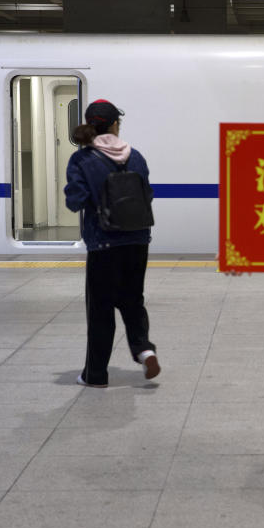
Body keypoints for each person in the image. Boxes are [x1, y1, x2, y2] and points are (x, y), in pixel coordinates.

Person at [64, 99, 161, 386]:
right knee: (133, 300)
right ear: (114, 124)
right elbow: (148, 195)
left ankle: (95, 374)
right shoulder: (136, 156)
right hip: (138, 240)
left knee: (101, 310)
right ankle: (143, 349)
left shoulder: (81, 159)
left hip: (103, 244)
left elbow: (75, 201)